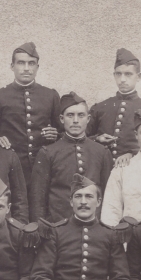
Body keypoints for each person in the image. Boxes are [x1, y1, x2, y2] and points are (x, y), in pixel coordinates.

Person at [30, 92, 113, 223]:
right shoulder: (48, 152)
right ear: (62, 119)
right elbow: (38, 198)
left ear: (88, 118)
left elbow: (109, 195)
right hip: (58, 228)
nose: (75, 120)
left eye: (81, 115)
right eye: (70, 115)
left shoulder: (102, 152)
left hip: (94, 228)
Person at [0, 42, 61, 186]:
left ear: (37, 67)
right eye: (21, 63)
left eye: (31, 63)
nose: (26, 68)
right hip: (11, 168)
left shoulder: (50, 95)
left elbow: (63, 132)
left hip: (44, 168)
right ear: (12, 66)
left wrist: (56, 134)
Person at [87, 48, 141, 167]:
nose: (123, 79)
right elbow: (81, 138)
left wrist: (133, 154)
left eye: (128, 74)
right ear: (114, 75)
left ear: (139, 77)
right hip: (102, 172)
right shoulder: (100, 108)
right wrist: (97, 139)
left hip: (134, 172)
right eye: (118, 74)